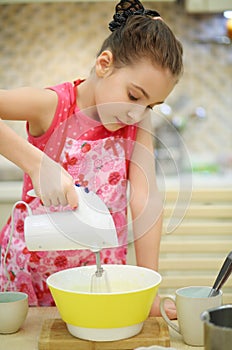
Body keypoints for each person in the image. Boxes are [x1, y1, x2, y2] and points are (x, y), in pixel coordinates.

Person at [0, 0, 183, 318]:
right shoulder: (53, 105)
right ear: (104, 64)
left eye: (150, 106)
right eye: (134, 96)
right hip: (31, 276)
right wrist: (36, 163)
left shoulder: (137, 123)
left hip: (99, 278)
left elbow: (145, 199)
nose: (136, 113)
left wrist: (148, 290)